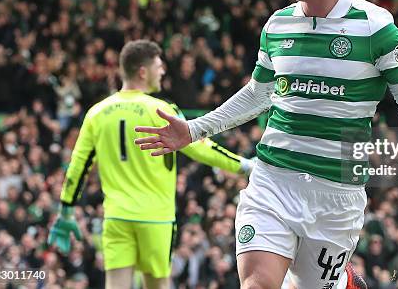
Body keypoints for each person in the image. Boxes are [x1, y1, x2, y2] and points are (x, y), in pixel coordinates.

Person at [135, 0, 398, 289]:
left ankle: (344, 283)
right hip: (273, 180)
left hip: (336, 194)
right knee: (257, 284)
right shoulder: (277, 24)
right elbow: (258, 94)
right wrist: (193, 129)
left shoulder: (375, 25)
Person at [48, 40, 251, 289]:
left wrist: (66, 209)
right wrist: (242, 165)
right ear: (143, 72)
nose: (163, 70)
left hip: (116, 217)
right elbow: (201, 148)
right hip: (156, 219)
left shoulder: (96, 113)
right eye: (159, 65)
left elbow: (78, 167)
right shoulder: (162, 110)